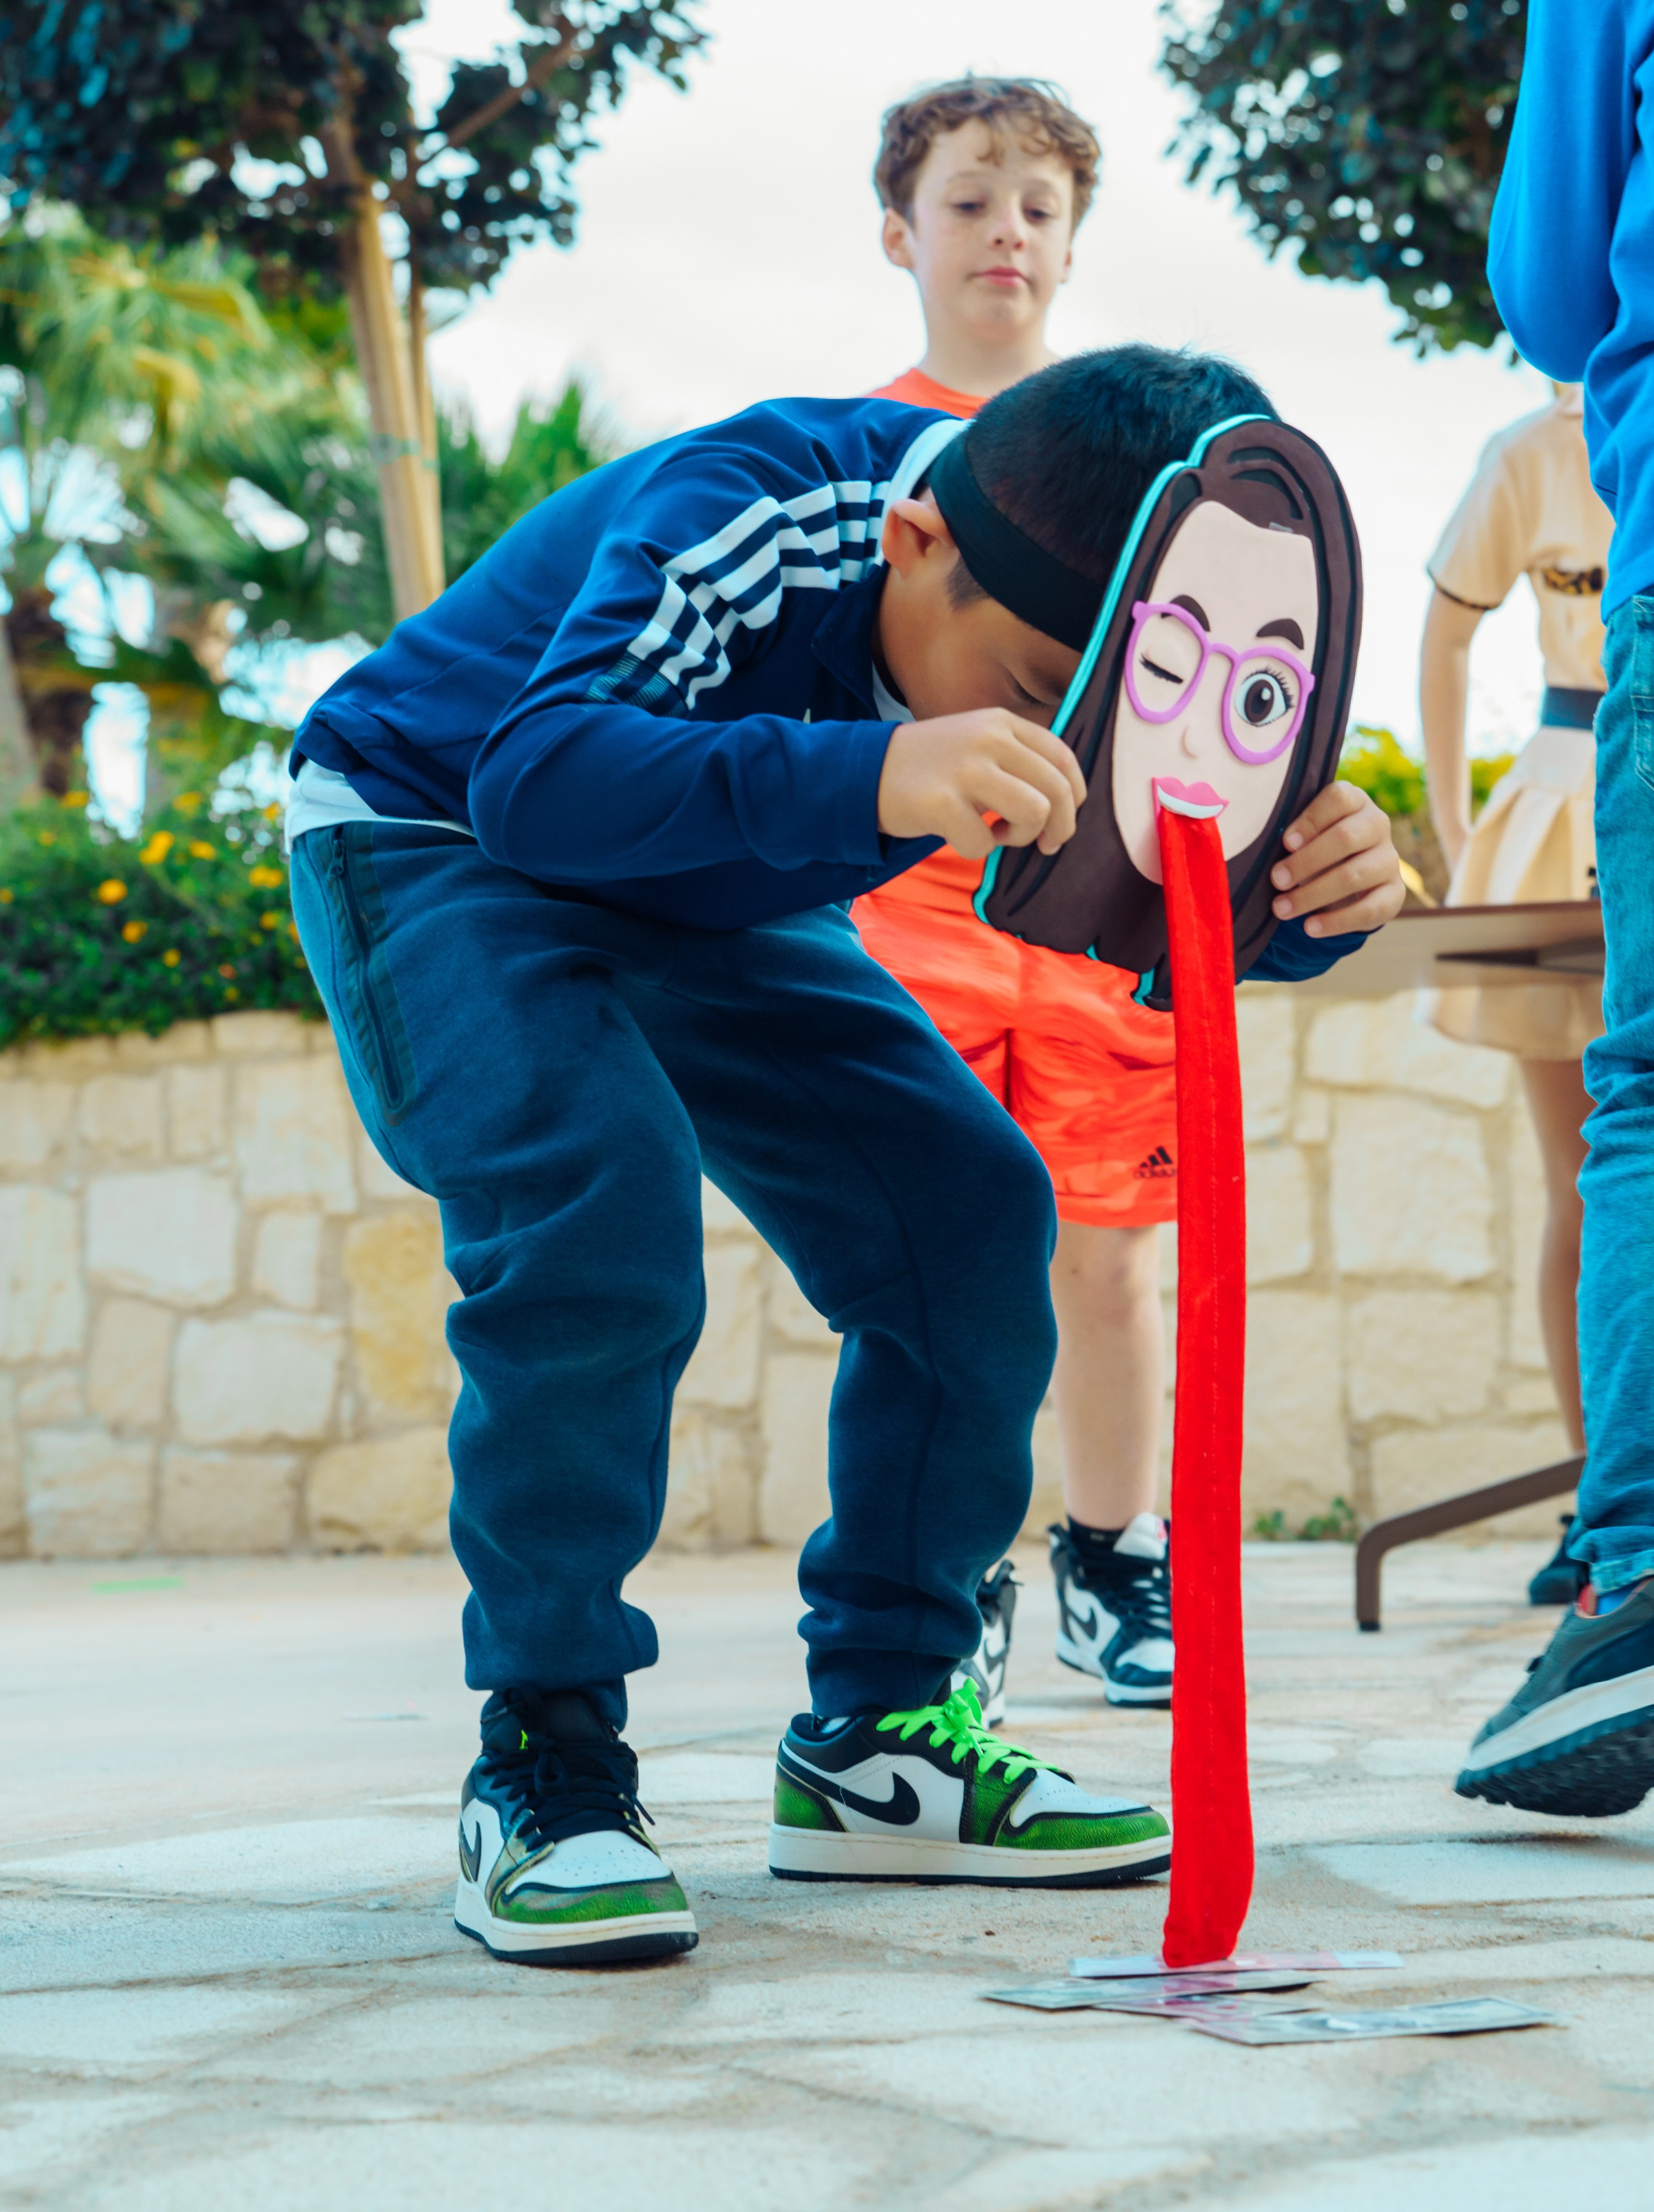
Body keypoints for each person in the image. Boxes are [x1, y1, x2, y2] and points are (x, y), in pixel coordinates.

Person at [286, 344, 1403, 1967]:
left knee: (968, 1213)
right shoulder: (764, 506)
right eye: (1031, 697)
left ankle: (882, 1741)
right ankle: (545, 1757)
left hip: (723, 885)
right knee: (597, 1208)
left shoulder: (1080, 608)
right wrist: (878, 770)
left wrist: (1301, 897)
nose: (1057, 745)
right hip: (434, 830)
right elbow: (535, 776)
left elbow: (1144, 885)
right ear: (917, 541)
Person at [858, 79, 1180, 1716]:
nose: (1007, 232)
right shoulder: (874, 459)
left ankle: (1116, 1556)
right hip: (911, 918)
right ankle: (947, 1569)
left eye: (1039, 207)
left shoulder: (1132, 470)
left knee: (1111, 1256)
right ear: (899, 231)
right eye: (971, 198)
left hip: (1092, 935)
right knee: (936, 1259)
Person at [1456, 0, 1654, 1819]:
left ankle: (1637, 1570)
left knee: (1638, 1104)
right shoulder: (1520, 463)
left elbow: (1554, 270)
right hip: (1553, 807)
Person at [1419, 384, 1610, 1609]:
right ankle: (1604, 1497)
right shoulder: (1532, 454)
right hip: (1572, 798)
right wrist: (1450, 833)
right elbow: (1445, 629)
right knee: (1582, 1180)